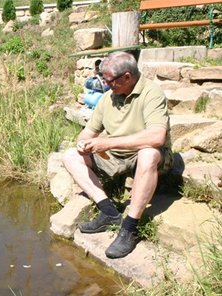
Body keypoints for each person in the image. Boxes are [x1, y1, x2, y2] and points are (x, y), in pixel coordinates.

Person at [61, 51, 173, 259]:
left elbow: (157, 136)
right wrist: (83, 143)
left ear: (127, 77)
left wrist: (108, 142)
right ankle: (109, 212)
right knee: (70, 156)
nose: (104, 84)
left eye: (108, 80)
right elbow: (88, 132)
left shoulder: (151, 93)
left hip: (148, 156)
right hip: (116, 156)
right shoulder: (107, 98)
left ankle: (130, 227)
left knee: (148, 153)